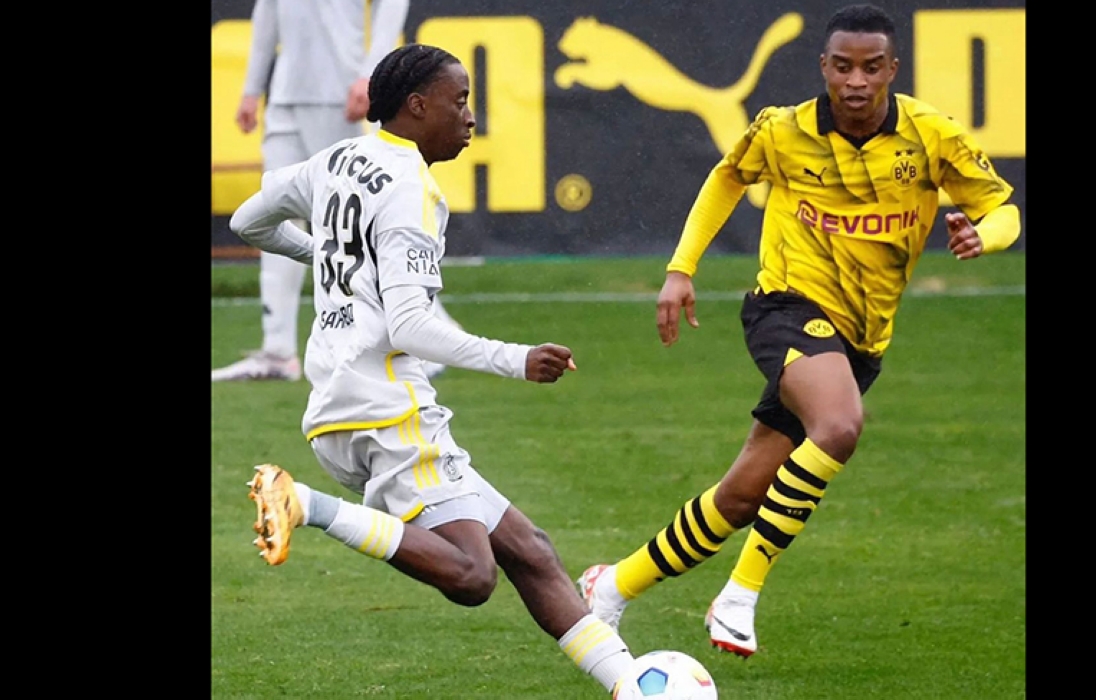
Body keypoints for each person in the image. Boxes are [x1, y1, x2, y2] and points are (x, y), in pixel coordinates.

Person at [577, 3, 1022, 658]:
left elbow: (1003, 209)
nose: (856, 81)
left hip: (861, 338)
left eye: (871, 68)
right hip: (784, 305)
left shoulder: (930, 135)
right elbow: (727, 176)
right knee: (838, 427)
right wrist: (680, 268)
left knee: (740, 495)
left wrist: (979, 236)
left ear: (891, 70)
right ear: (823, 67)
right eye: (842, 66)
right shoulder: (781, 131)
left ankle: (611, 587)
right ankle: (739, 595)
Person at [232, 44, 636, 693]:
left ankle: (632, 682)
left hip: (335, 400)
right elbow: (413, 327)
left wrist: (332, 263)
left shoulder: (336, 158)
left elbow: (248, 220)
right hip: (388, 407)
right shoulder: (412, 189)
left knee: (529, 551)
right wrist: (514, 359)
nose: (470, 116)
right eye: (461, 100)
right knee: (473, 577)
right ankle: (301, 502)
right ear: (417, 107)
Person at [213, 0, 464, 382]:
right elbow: (267, 12)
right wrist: (252, 88)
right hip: (284, 94)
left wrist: (370, 75)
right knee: (275, 213)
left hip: (339, 92)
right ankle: (277, 351)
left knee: (356, 223)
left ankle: (433, 334)